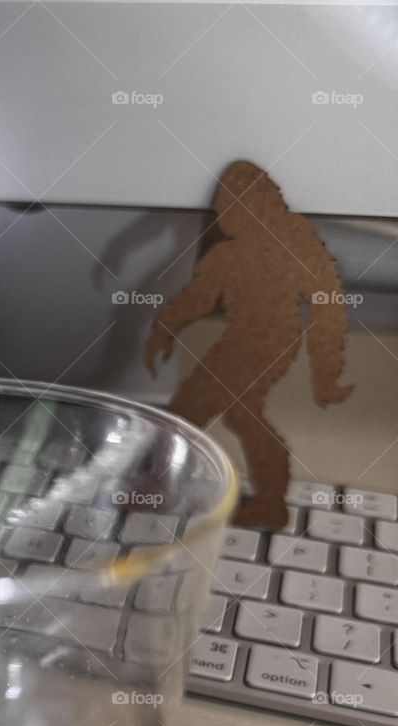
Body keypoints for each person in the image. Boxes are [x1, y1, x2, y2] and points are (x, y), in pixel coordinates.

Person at [145, 160, 352, 528]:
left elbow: (327, 302)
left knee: (225, 412)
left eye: (231, 203)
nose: (222, 212)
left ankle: (268, 502)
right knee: (204, 410)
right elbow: (199, 297)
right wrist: (164, 327)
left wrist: (326, 373)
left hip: (272, 340)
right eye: (222, 204)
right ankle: (162, 486)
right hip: (239, 338)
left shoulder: (294, 239)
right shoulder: (228, 255)